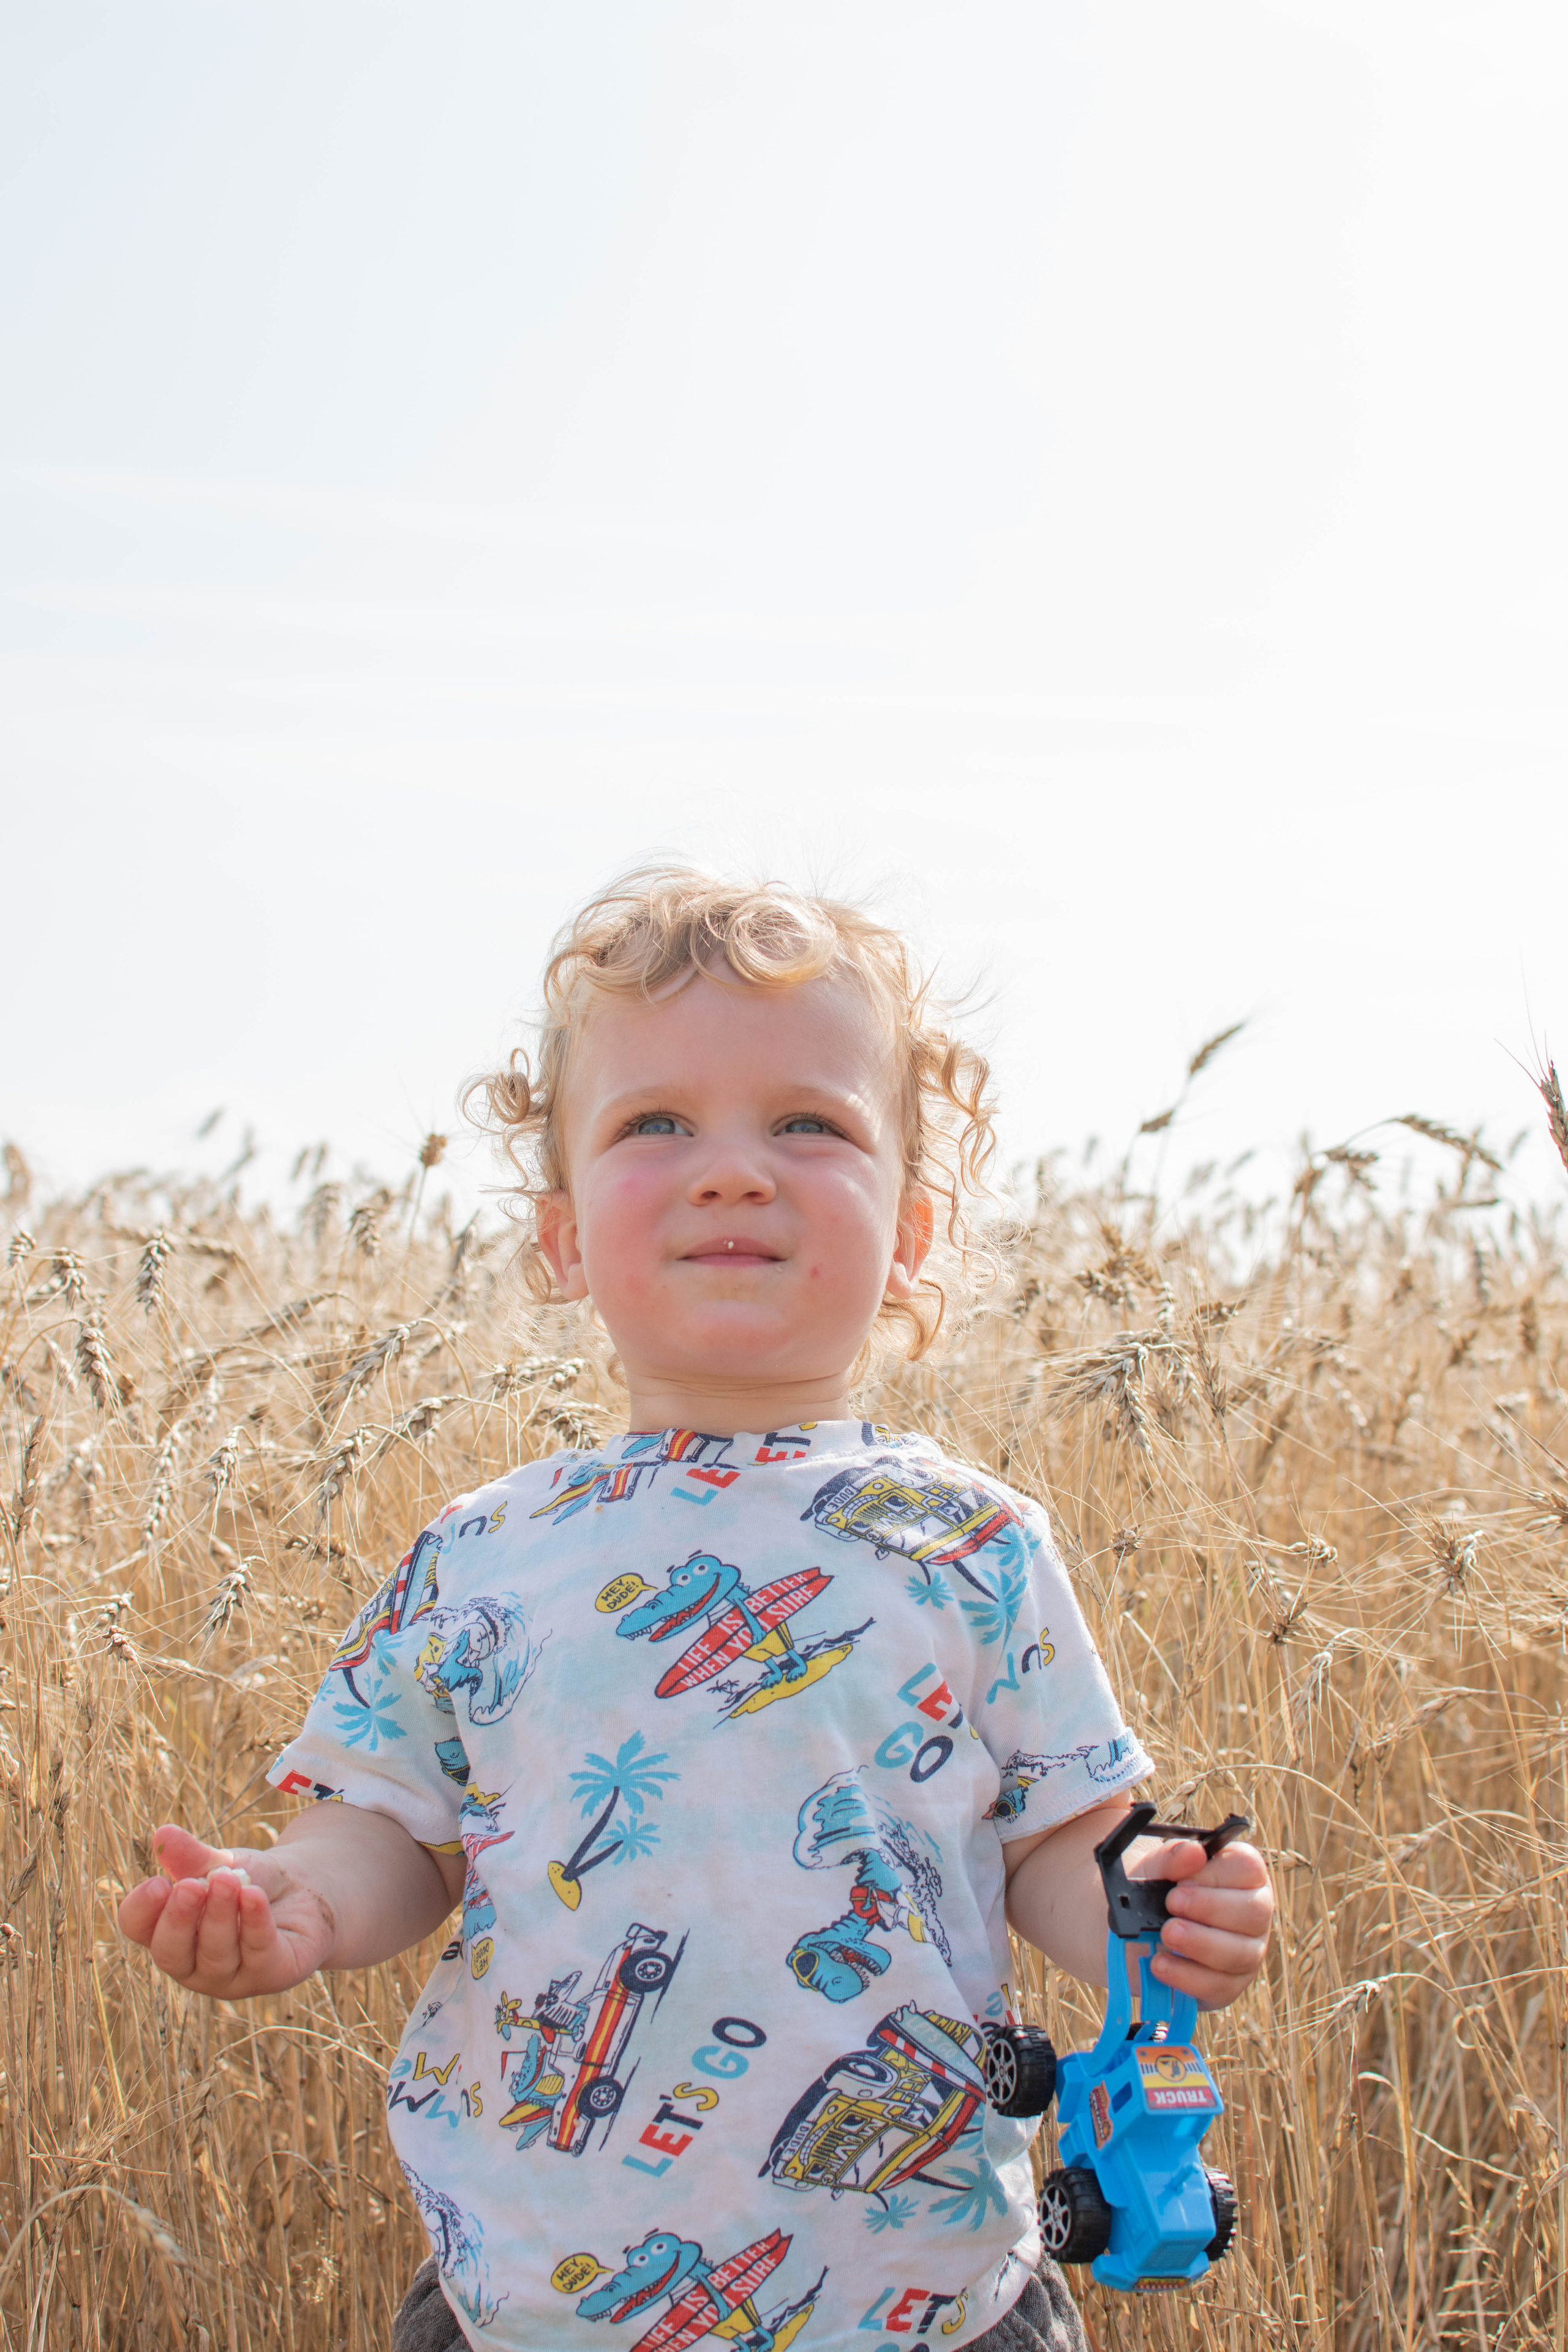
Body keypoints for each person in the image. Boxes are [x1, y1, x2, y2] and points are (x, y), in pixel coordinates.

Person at [118, 869, 1274, 2352]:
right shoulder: (479, 1554)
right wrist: (304, 1898)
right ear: (559, 1236)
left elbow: (1060, 1841)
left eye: (810, 1123)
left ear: (913, 1232)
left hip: (921, 2301)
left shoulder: (973, 1545)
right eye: (655, 1125)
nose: (733, 1170)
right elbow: (396, 1828)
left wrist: (1160, 1905)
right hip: (534, 2304)